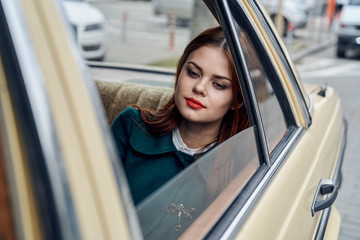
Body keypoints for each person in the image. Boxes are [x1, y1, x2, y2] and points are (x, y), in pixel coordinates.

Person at [111, 26, 250, 205]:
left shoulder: (242, 168)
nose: (199, 87)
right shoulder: (131, 125)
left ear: (237, 101)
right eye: (193, 73)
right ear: (180, 72)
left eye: (218, 84)